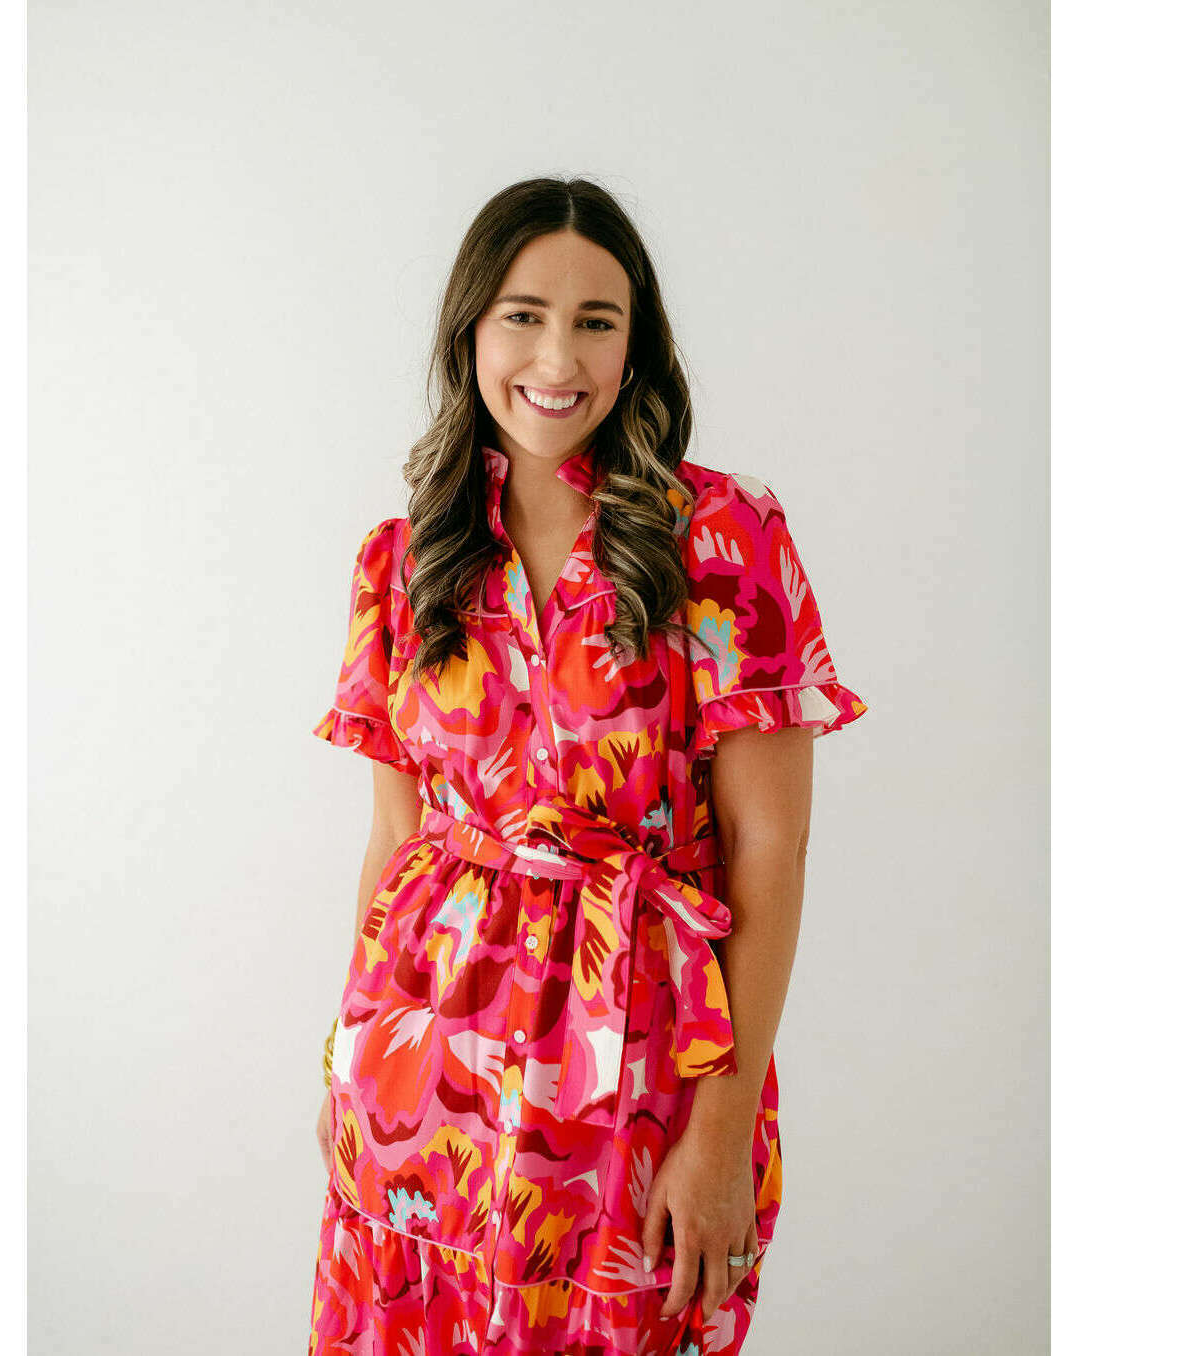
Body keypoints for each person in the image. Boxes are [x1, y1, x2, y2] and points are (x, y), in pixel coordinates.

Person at [305, 177, 868, 1356]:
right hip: (421, 1079)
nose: (557, 358)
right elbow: (397, 842)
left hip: (641, 1073)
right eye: (523, 315)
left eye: (595, 321)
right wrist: (346, 1063)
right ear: (469, 331)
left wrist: (720, 1135)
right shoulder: (403, 560)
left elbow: (771, 848)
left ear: (635, 343)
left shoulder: (723, 536)